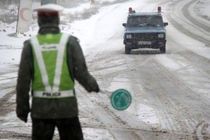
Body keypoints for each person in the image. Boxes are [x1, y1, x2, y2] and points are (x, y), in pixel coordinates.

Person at [16, 4, 99, 140]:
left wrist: (22, 108)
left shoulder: (31, 45)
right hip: (67, 109)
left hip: (41, 110)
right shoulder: (70, 42)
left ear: (39, 21)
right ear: (57, 20)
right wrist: (92, 85)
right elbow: (81, 72)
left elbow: (23, 80)